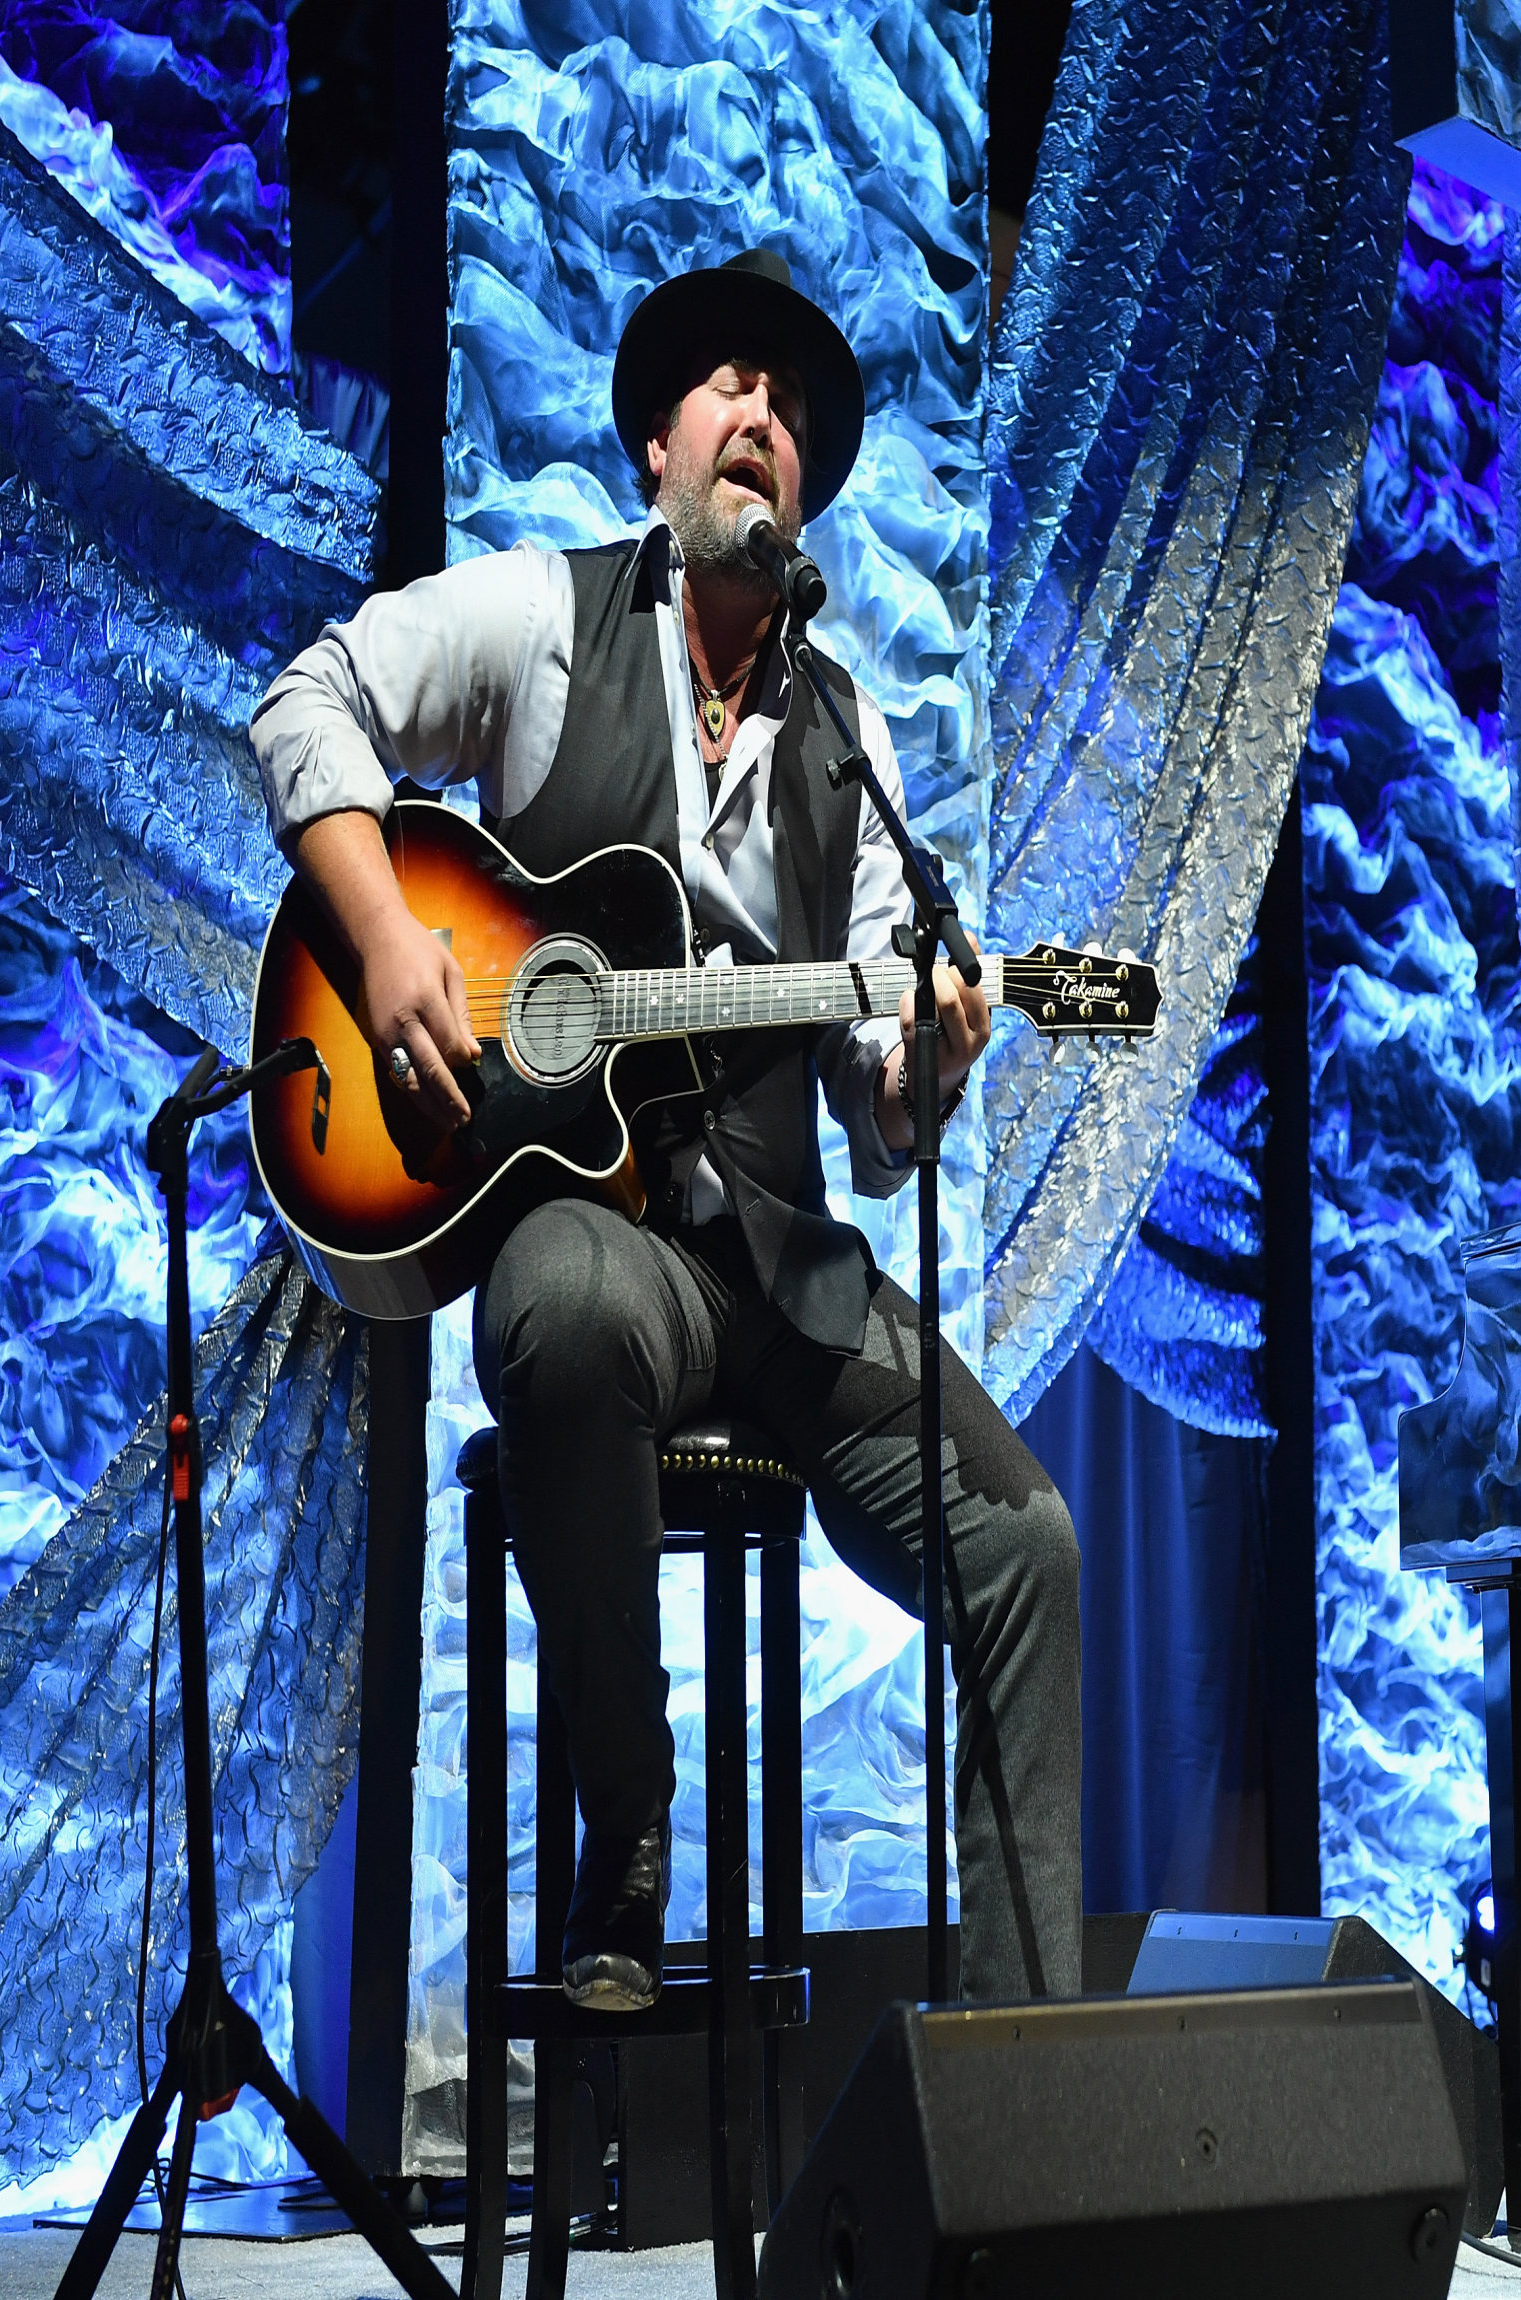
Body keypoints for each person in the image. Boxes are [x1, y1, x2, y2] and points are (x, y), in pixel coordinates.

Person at [250, 249, 1081, 2011]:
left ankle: (1029, 2082)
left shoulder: (850, 739)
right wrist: (393, 940)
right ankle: (623, 1831)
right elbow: (306, 700)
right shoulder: (544, 621)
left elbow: (874, 1118)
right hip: (600, 1250)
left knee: (1031, 1549)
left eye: (786, 408)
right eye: (726, 387)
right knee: (556, 1294)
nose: (760, 417)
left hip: (773, 1272)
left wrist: (927, 1063)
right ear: (656, 445)